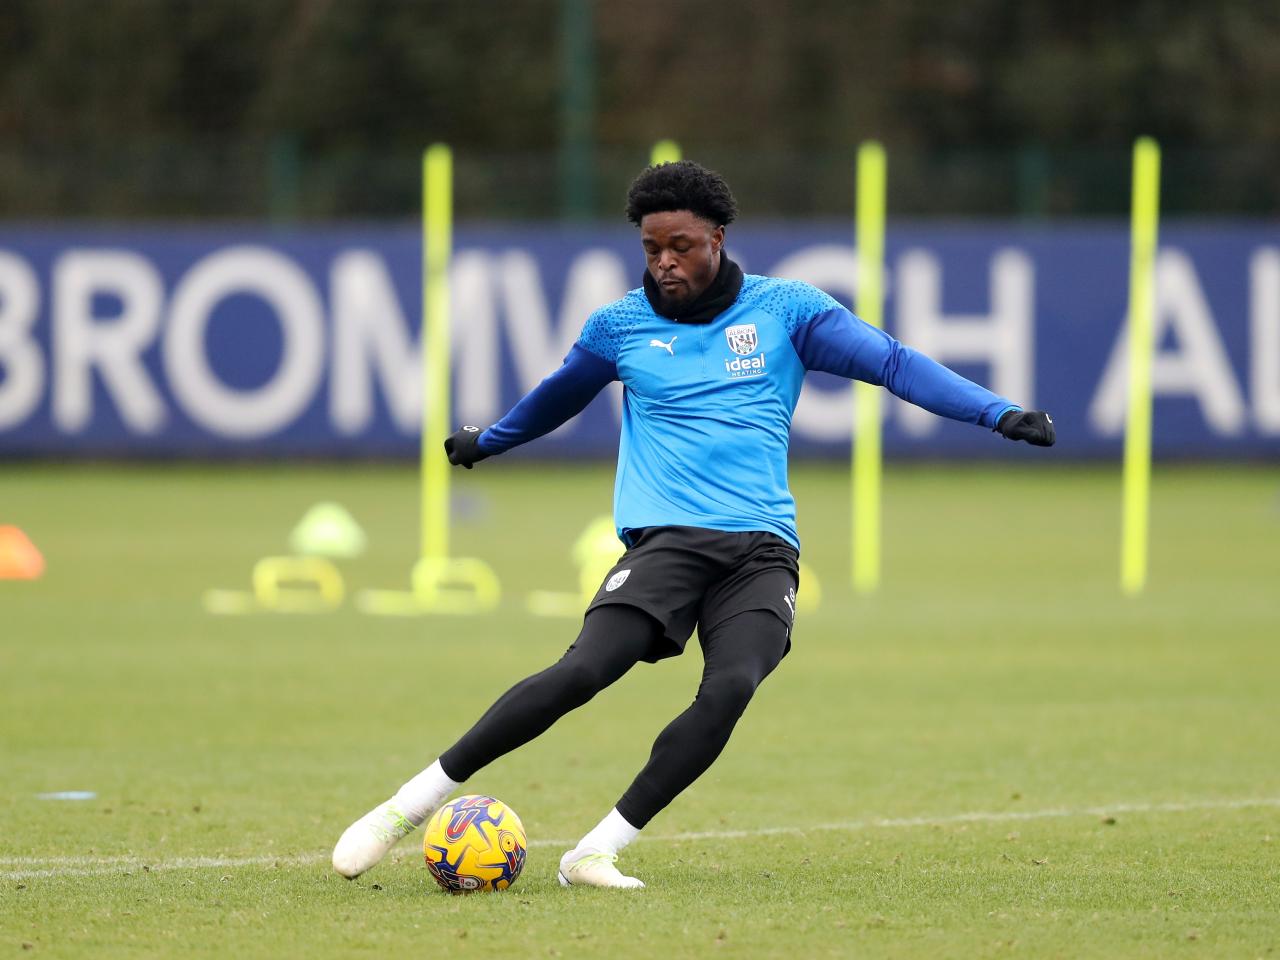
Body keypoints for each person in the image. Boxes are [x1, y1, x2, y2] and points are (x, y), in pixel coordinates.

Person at [332, 160, 1055, 889]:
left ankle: (595, 851)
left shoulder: (788, 312)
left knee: (732, 684)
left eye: (679, 246)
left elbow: (895, 364)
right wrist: (490, 439)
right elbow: (560, 395)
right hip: (668, 544)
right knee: (583, 671)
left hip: (762, 551)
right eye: (651, 249)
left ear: (717, 236)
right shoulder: (619, 326)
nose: (664, 262)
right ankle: (405, 807)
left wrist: (998, 412)